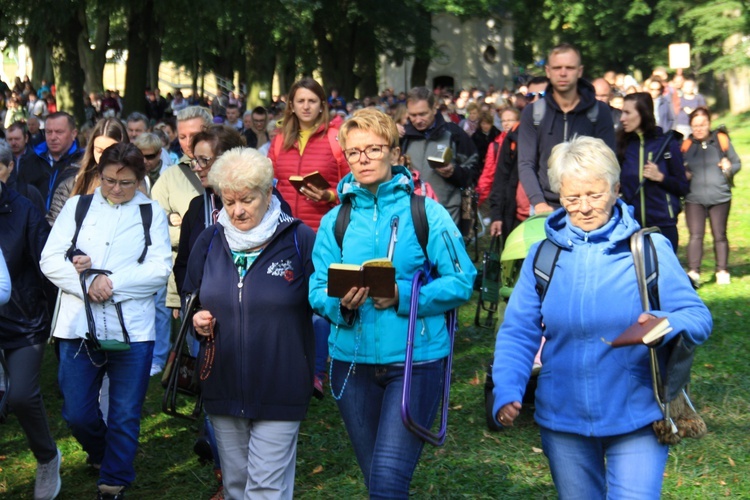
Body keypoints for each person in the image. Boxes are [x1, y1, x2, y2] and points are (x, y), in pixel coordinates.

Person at [492, 135, 712, 499]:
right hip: (562, 420)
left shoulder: (649, 249)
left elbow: (697, 316)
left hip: (638, 416)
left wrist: (664, 321)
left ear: (615, 189)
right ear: (559, 195)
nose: (583, 208)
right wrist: (507, 389)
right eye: (571, 197)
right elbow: (519, 331)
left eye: (594, 195)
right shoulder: (542, 256)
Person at [309, 108, 476, 498]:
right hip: (351, 364)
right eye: (354, 152)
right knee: (378, 482)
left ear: (395, 153)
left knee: (386, 481)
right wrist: (341, 305)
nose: (363, 159)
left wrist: (403, 295)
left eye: (373, 149)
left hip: (414, 362)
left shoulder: (426, 213)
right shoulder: (336, 219)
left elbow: (462, 280)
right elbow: (317, 288)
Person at [40, 142, 172, 499]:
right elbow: (50, 259)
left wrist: (111, 283)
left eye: (126, 182)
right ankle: (101, 453)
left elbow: (160, 269)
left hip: (133, 329)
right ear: (99, 174)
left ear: (139, 179)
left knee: (126, 411)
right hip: (78, 327)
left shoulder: (151, 213)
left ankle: (114, 480)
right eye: (110, 180)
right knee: (77, 411)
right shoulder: (77, 207)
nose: (116, 188)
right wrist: (86, 282)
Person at [183, 147, 316, 499]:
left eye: (247, 200)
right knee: (237, 485)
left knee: (265, 488)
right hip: (223, 386)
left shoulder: (299, 240)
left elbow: (324, 304)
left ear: (268, 193)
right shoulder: (209, 240)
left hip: (281, 385)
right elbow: (191, 296)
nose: (238, 210)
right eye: (229, 202)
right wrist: (196, 316)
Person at [0, 151, 61, 500]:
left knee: (22, 395)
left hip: (24, 320)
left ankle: (47, 457)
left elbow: (47, 263)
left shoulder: (22, 209)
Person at [517, 43, 616, 214]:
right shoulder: (533, 113)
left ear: (580, 71)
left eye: (569, 67)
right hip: (545, 206)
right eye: (557, 68)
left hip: (588, 207)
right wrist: (538, 202)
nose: (563, 73)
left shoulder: (599, 112)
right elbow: (526, 163)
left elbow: (608, 163)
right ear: (548, 71)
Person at [151, 106, 212, 375]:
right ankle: (209, 414)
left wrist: (182, 221)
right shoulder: (170, 179)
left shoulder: (234, 168)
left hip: (233, 274)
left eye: (195, 135)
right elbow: (154, 232)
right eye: (183, 136)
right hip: (192, 278)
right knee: (200, 353)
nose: (189, 143)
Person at [268, 77, 347, 232]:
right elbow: (267, 185)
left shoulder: (336, 138)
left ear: (322, 105)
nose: (306, 106)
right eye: (300, 101)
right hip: (284, 231)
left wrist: (329, 196)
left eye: (312, 101)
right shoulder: (279, 140)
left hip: (324, 231)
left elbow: (352, 186)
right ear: (291, 105)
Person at [617, 92, 688, 251]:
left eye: (627, 112)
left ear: (643, 113)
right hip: (631, 227)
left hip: (663, 226)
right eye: (622, 112)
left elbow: (683, 186)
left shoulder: (666, 144)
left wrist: (661, 177)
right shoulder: (622, 145)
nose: (622, 118)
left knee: (664, 274)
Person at [402, 86, 479, 226]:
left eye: (423, 114)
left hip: (446, 212)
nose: (418, 120)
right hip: (410, 212)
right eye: (413, 115)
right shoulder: (404, 137)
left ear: (434, 109)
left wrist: (454, 172)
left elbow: (474, 170)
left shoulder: (454, 133)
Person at [682, 107, 741, 286]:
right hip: (694, 198)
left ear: (709, 123)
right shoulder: (685, 146)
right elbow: (676, 169)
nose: (699, 128)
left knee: (720, 234)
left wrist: (728, 167)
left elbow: (737, 163)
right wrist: (683, 173)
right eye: (695, 125)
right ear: (690, 126)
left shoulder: (721, 141)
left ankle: (722, 270)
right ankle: (694, 273)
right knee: (695, 235)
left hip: (720, 196)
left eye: (702, 124)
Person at [46, 117, 128, 225]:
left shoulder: (137, 182)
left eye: (111, 151)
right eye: (99, 150)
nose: (104, 157)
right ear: (92, 149)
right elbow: (53, 226)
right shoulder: (73, 181)